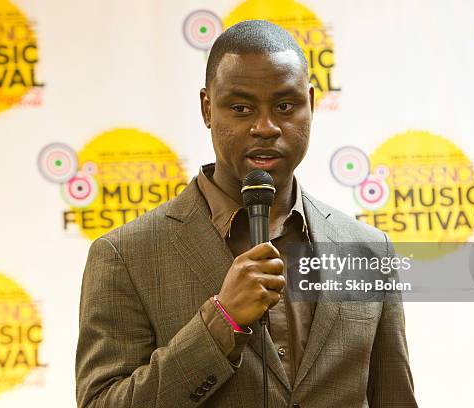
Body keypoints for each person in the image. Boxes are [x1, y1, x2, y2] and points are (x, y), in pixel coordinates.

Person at [75, 20, 417, 408]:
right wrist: (221, 323)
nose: (265, 127)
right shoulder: (126, 255)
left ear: (311, 104)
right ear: (207, 108)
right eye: (241, 108)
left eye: (285, 106)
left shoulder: (368, 251)